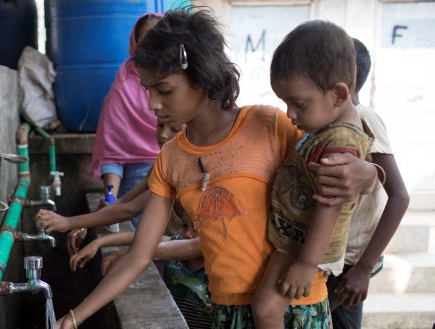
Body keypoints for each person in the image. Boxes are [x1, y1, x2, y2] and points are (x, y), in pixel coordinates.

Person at [56, 9, 379, 329]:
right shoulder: (171, 159)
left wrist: (370, 174)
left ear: (203, 77)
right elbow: (139, 257)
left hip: (295, 306)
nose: (153, 103)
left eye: (165, 90)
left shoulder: (270, 125)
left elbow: (340, 157)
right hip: (227, 313)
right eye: (148, 89)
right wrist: (72, 319)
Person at [251, 20, 372, 329]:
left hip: (304, 245)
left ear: (338, 94)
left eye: (298, 103)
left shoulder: (342, 141)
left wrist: (306, 264)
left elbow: (329, 205)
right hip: (296, 238)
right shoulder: (326, 124)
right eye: (285, 102)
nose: (290, 113)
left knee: (266, 308)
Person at [326, 38, 409, 329]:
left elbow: (399, 196)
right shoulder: (327, 123)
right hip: (332, 259)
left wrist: (364, 268)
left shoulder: (364, 118)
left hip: (349, 263)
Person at [37, 119, 186, 256]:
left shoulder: (181, 171)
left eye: (174, 129)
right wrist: (84, 224)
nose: (163, 134)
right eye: (160, 125)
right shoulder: (162, 164)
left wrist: (67, 222)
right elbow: (123, 202)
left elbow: (130, 209)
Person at [69, 206, 212, 329]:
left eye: (196, 229)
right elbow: (141, 239)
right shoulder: (175, 245)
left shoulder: (218, 270)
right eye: (185, 226)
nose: (187, 234)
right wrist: (100, 242)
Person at [91, 13, 162, 228]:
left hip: (173, 184)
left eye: (159, 40)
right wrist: (111, 199)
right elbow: (113, 154)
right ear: (135, 44)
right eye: (146, 42)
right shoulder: (123, 89)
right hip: (132, 194)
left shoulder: (182, 85)